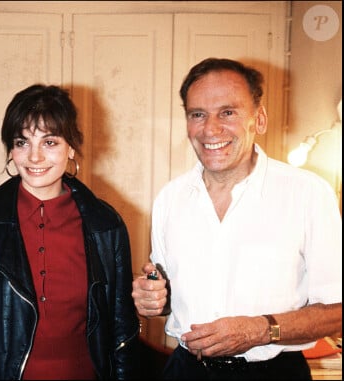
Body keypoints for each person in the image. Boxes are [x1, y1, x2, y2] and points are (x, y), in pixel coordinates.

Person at [132, 58, 342, 379]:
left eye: (227, 113)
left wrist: (259, 330)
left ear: (259, 120)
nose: (210, 129)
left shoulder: (308, 193)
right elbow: (170, 298)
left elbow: (337, 311)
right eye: (197, 114)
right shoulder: (170, 199)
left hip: (273, 373)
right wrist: (155, 299)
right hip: (186, 369)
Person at [0, 84, 140, 379]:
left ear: (71, 146)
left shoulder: (106, 224)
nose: (34, 157)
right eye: (22, 142)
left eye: (50, 142)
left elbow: (122, 329)